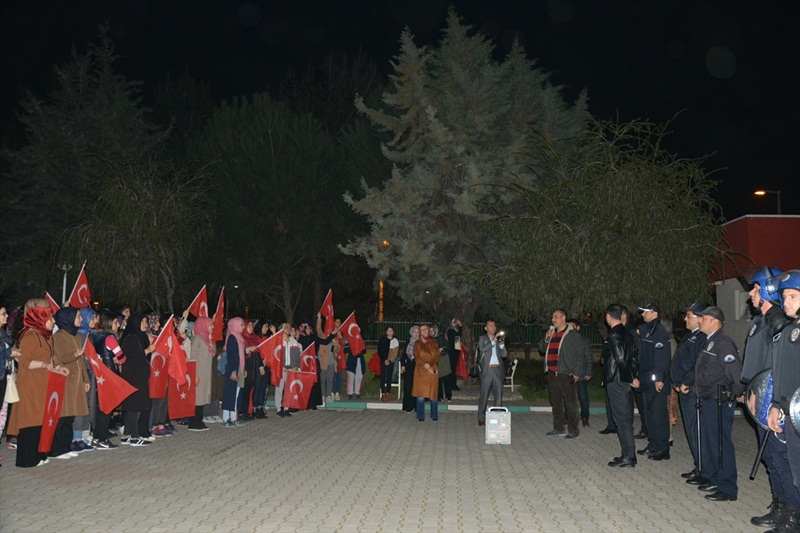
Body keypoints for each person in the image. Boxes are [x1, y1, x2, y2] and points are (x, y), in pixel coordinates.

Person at [739, 267, 795, 528]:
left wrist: (773, 401)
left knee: (779, 457)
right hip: (760, 397)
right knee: (771, 458)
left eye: (755, 288)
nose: (750, 293)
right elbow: (755, 363)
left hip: (774, 399)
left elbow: (779, 367)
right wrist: (748, 391)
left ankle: (791, 514)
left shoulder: (779, 322)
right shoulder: (761, 321)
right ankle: (779, 507)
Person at [8, 300, 70, 467]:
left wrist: (58, 367)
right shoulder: (29, 336)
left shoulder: (45, 337)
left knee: (41, 420)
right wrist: (43, 365)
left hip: (43, 385)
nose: (54, 321)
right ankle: (27, 459)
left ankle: (39, 454)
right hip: (30, 386)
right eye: (51, 318)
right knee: (30, 421)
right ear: (41, 318)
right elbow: (25, 361)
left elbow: (49, 359)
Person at [693, 306, 744, 502]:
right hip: (708, 399)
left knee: (721, 444)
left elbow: (735, 374)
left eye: (703, 318)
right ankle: (717, 480)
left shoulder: (723, 343)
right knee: (712, 443)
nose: (699, 321)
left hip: (719, 400)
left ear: (714, 321)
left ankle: (728, 487)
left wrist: (737, 394)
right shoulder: (710, 342)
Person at [768, 270, 800, 531]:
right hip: (790, 411)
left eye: (793, 296)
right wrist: (777, 404)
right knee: (793, 467)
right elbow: (784, 375)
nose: (786, 301)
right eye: (784, 296)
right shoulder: (791, 330)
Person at [670, 303, 707, 482]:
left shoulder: (703, 338)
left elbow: (698, 365)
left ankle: (704, 469)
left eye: (689, 316)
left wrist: (685, 382)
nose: (685, 319)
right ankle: (699, 466)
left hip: (692, 390)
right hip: (683, 388)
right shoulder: (690, 336)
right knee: (691, 431)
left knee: (696, 431)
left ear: (700, 319)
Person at [603, 304, 640, 468]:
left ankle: (629, 457)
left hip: (617, 380)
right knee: (624, 418)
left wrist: (630, 378)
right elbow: (633, 358)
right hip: (623, 379)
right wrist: (634, 376)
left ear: (608, 317)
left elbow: (621, 360)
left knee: (621, 419)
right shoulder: (627, 333)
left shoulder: (614, 335)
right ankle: (627, 454)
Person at [51, 307, 90, 458]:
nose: (81, 319)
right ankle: (57, 449)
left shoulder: (77, 336)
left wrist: (86, 379)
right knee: (63, 416)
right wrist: (74, 354)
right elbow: (60, 358)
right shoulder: (59, 336)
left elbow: (81, 361)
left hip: (76, 381)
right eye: (78, 316)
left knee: (71, 416)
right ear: (68, 318)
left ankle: (66, 447)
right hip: (65, 380)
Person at [538, 309, 583, 439]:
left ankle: (573, 430)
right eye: (552, 317)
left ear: (563, 318)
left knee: (570, 403)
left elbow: (579, 355)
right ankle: (558, 428)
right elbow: (541, 349)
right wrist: (547, 338)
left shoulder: (572, 335)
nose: (553, 319)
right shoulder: (552, 334)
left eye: (556, 317)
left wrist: (577, 372)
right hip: (552, 373)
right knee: (556, 403)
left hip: (566, 373)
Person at [636, 304, 672, 460]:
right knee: (648, 414)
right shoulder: (646, 330)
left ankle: (662, 448)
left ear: (655, 313)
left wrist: (659, 379)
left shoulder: (659, 331)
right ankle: (652, 444)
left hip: (655, 380)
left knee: (658, 415)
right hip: (645, 378)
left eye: (645, 312)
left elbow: (661, 358)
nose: (643, 314)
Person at [89, 311, 125, 449]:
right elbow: (121, 357)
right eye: (116, 322)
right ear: (110, 323)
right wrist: (118, 359)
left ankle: (98, 436)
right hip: (110, 374)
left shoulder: (94, 335)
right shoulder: (110, 338)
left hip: (100, 375)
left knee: (101, 407)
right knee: (107, 408)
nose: (118, 325)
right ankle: (101, 439)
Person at [119, 313, 153, 447]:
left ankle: (127, 434)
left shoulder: (141, 336)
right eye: (143, 321)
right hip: (133, 376)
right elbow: (134, 356)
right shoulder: (131, 338)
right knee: (133, 405)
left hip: (140, 376)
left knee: (136, 404)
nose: (145, 324)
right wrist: (148, 350)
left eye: (146, 321)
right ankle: (133, 436)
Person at [477, 320, 508, 427]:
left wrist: (502, 345)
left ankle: (497, 418)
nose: (493, 328)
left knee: (499, 395)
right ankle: (481, 418)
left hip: (497, 370)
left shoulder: (498, 339)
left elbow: (504, 355)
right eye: (490, 326)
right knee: (484, 395)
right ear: (486, 328)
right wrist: (493, 342)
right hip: (487, 370)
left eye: (494, 326)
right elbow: (482, 349)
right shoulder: (483, 339)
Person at [189, 317, 214, 430]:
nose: (212, 327)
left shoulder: (207, 339)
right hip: (198, 373)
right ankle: (193, 422)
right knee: (197, 398)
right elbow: (192, 358)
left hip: (205, 373)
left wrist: (212, 349)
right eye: (210, 325)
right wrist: (194, 375)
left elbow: (208, 356)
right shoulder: (197, 339)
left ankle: (199, 419)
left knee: (202, 397)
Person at [412, 324, 439, 421]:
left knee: (433, 394)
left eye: (426, 329)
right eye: (422, 330)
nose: (424, 331)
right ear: (420, 332)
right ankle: (420, 416)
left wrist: (431, 365)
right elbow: (417, 357)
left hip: (432, 370)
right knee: (421, 395)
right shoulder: (417, 343)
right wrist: (426, 366)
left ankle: (434, 415)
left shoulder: (434, 342)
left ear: (428, 331)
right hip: (421, 370)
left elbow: (437, 356)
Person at [222, 317, 246, 426]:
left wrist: (243, 369)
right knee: (230, 393)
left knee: (236, 394)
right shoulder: (232, 338)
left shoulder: (239, 338)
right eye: (241, 325)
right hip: (233, 370)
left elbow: (241, 356)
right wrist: (233, 371)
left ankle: (234, 417)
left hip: (239, 369)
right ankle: (226, 418)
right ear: (235, 325)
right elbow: (232, 356)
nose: (243, 327)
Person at [569, 321, 593, 427]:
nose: (570, 327)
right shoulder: (566, 340)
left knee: (583, 397)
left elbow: (588, 357)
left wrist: (588, 372)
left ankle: (585, 418)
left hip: (582, 374)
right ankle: (568, 417)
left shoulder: (584, 341)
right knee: (568, 397)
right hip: (569, 374)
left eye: (573, 326)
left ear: (578, 328)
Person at [377, 327, 399, 403]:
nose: (390, 332)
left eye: (391, 331)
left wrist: (389, 360)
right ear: (386, 332)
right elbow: (380, 350)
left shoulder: (395, 341)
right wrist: (384, 359)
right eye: (388, 331)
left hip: (391, 361)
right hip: (383, 360)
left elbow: (395, 352)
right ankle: (383, 393)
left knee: (389, 377)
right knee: (383, 376)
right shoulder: (382, 339)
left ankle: (388, 393)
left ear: (393, 332)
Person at [400, 326, 420, 413]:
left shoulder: (421, 342)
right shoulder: (408, 342)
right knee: (408, 386)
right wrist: (403, 365)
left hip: (418, 366)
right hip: (408, 366)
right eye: (414, 332)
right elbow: (404, 354)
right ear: (411, 333)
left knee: (417, 386)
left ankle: (416, 406)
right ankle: (408, 407)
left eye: (417, 332)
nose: (416, 333)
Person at [431, 325, 451, 402]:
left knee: (446, 378)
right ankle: (440, 396)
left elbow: (448, 347)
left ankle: (448, 396)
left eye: (432, 331)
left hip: (443, 359)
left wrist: (442, 348)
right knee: (437, 379)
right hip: (435, 360)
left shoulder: (441, 337)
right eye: (430, 331)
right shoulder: (430, 340)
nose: (431, 332)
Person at [446, 318, 462, 391]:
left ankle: (453, 384)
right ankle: (452, 385)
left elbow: (459, 337)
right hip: (451, 352)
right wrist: (460, 326)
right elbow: (457, 336)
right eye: (454, 323)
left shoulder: (456, 330)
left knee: (454, 369)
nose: (455, 324)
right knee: (452, 369)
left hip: (455, 351)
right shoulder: (450, 331)